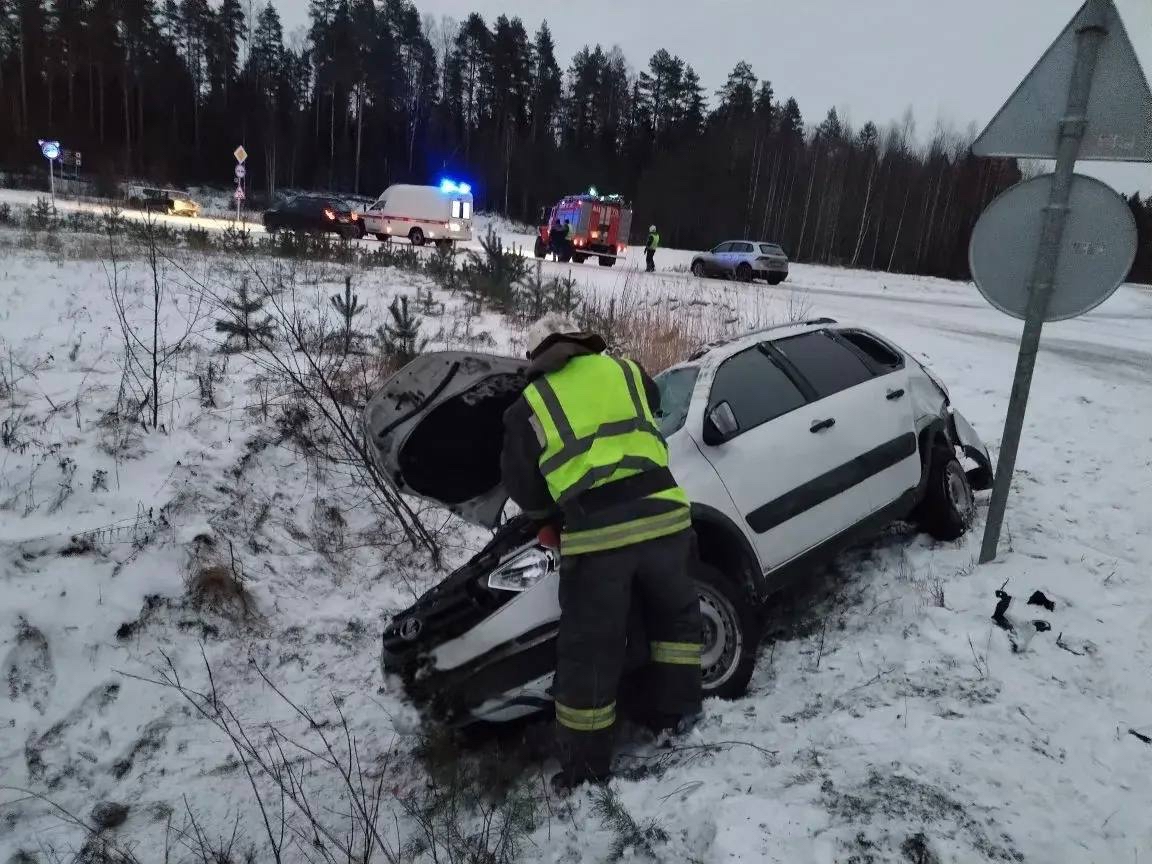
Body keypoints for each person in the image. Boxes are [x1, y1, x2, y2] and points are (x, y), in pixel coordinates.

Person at [500, 314, 703, 792]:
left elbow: (523, 483)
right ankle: (674, 720)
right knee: (674, 624)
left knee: (590, 652)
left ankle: (587, 769)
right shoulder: (629, 371)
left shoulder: (529, 404)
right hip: (667, 518)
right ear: (582, 341)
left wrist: (545, 519)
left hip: (599, 536)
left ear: (537, 357)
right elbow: (653, 410)